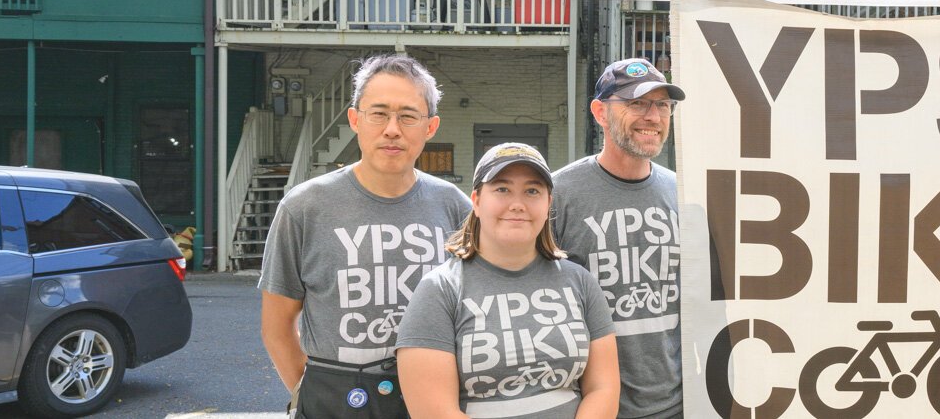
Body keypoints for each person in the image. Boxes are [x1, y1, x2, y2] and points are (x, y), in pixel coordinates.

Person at [259, 53, 473, 418]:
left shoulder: (454, 206)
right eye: (379, 113)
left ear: (431, 127)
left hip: (433, 394)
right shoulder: (304, 207)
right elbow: (277, 326)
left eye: (408, 116)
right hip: (333, 392)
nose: (393, 128)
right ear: (355, 120)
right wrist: (306, 393)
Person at [395, 142, 620, 419]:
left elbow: (603, 388)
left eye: (532, 191)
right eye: (502, 189)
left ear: (549, 203)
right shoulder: (439, 290)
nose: (517, 204)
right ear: (476, 201)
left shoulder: (580, 281)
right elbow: (435, 412)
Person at [551, 58, 686, 419]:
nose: (653, 117)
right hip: (592, 408)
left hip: (678, 406)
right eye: (636, 103)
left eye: (662, 105)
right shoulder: (557, 194)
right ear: (600, 112)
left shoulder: (683, 193)